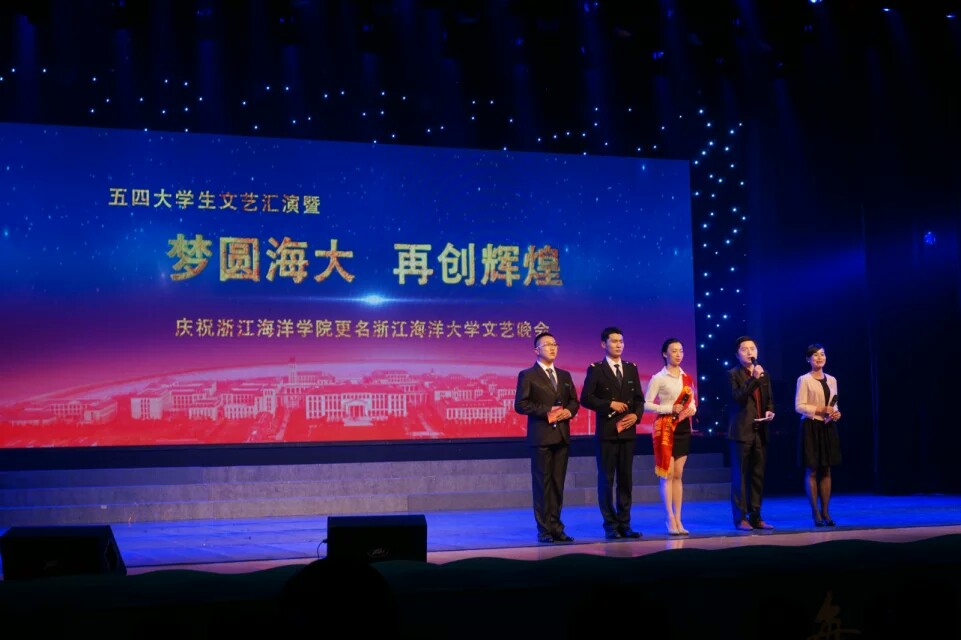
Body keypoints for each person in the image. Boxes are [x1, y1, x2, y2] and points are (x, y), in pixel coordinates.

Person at [514, 331, 580, 543]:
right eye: (547, 344)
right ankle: (544, 530)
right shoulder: (527, 375)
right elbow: (520, 404)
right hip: (541, 436)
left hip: (561, 436)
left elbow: (574, 401)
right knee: (542, 485)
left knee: (557, 484)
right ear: (536, 350)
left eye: (555, 344)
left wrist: (569, 411)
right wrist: (546, 411)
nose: (552, 348)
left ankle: (557, 527)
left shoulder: (564, 375)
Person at [580, 327, 645, 539]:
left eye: (621, 341)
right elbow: (586, 398)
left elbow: (639, 400)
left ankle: (625, 524)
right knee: (606, 480)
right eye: (614, 341)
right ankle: (610, 525)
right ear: (603, 344)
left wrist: (636, 415)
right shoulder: (596, 369)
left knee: (626, 480)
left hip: (628, 432)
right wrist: (610, 404)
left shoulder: (631, 368)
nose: (619, 345)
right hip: (607, 433)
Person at [644, 338, 697, 535]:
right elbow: (646, 404)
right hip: (665, 427)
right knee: (667, 474)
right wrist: (668, 408)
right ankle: (670, 518)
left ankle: (679, 519)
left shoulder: (687, 378)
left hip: (683, 427)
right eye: (674, 351)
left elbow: (692, 402)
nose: (678, 354)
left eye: (681, 350)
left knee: (678, 474)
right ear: (664, 354)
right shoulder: (658, 378)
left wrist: (691, 410)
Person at [727, 335, 776, 530]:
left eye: (753, 348)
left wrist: (770, 410)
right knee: (740, 477)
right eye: (745, 349)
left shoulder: (764, 373)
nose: (750, 352)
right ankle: (740, 518)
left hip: (760, 430)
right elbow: (737, 398)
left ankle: (756, 516)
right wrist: (754, 379)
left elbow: (769, 398)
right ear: (737, 355)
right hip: (741, 432)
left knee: (757, 476)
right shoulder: (732, 374)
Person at [794, 343, 842, 527]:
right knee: (812, 469)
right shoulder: (804, 379)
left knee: (827, 469)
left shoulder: (832, 379)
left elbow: (834, 404)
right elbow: (799, 406)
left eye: (822, 354)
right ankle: (815, 512)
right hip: (811, 426)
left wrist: (836, 413)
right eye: (815, 355)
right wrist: (821, 410)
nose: (820, 357)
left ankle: (826, 511)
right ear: (808, 359)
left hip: (828, 426)